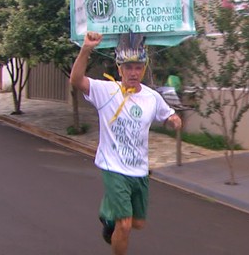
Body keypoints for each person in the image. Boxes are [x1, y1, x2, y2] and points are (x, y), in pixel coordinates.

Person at [70, 31, 182, 255]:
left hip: (139, 170)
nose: (133, 72)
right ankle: (115, 220)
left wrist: (173, 119)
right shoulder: (106, 91)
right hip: (113, 167)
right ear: (119, 69)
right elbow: (76, 80)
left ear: (144, 68)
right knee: (126, 225)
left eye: (138, 67)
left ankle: (107, 214)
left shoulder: (151, 97)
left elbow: (167, 114)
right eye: (128, 68)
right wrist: (86, 49)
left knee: (138, 223)